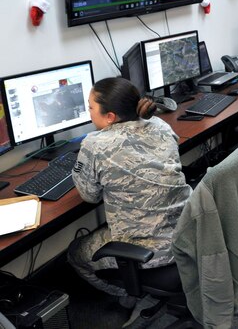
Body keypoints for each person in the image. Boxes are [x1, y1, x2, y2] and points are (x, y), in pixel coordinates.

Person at [67, 78, 192, 300]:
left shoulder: (94, 144)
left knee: (76, 253)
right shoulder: (161, 125)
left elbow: (89, 196)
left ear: (110, 117)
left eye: (90, 108)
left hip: (147, 253)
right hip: (188, 234)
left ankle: (127, 298)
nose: (89, 114)